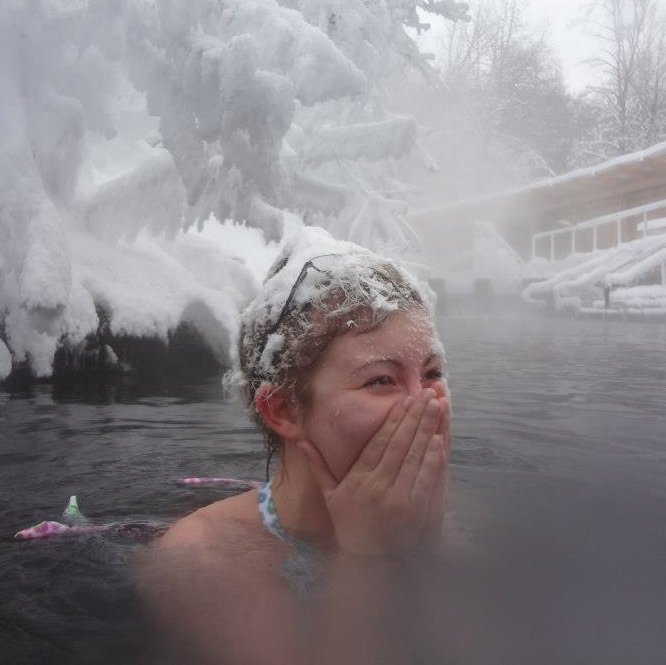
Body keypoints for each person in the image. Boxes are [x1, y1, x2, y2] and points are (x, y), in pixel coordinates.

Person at [138, 229, 451, 664]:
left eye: (433, 373)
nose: (427, 405)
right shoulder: (203, 560)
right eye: (381, 380)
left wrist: (425, 548)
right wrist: (368, 560)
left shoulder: (462, 531)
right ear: (283, 409)